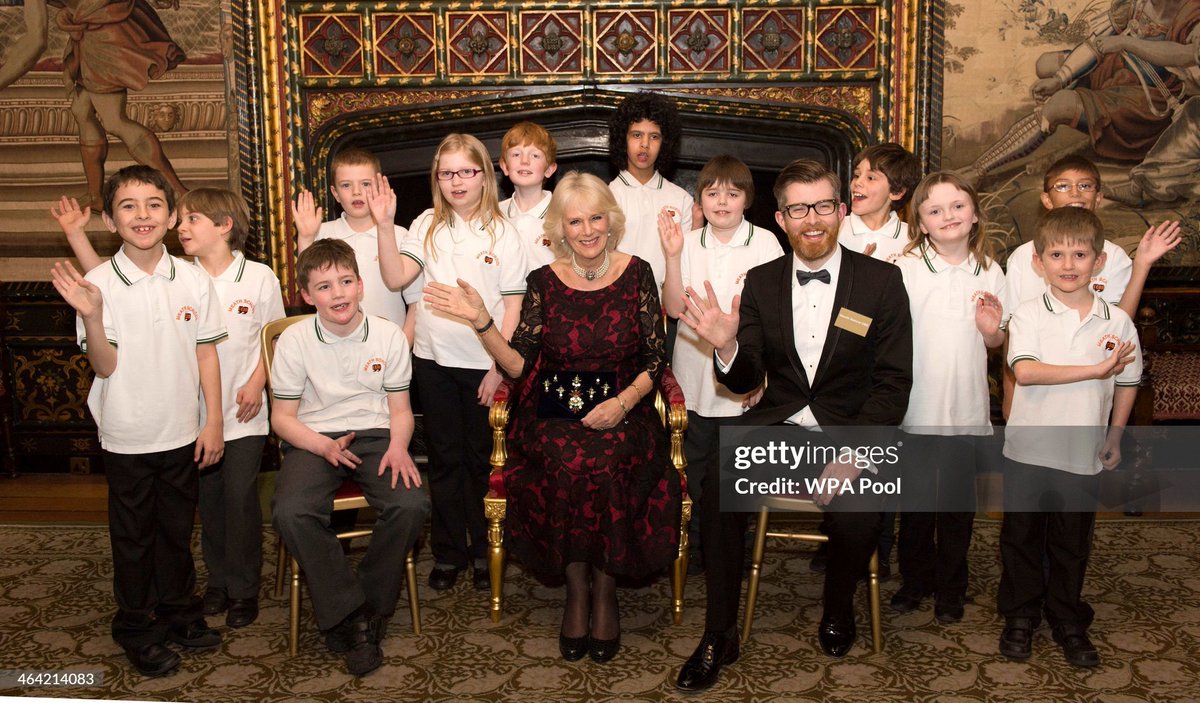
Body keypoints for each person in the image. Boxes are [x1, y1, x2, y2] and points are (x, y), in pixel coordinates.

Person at [423, 171, 681, 664]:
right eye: (575, 221)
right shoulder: (542, 281)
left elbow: (655, 359)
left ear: (611, 220)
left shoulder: (638, 271)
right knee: (566, 462)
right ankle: (576, 587)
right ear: (559, 229)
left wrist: (623, 403)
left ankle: (603, 590)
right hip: (554, 408)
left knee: (609, 463)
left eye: (596, 218)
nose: (587, 230)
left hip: (625, 404)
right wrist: (482, 321)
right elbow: (519, 365)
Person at [674, 159, 913, 691]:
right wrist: (727, 345)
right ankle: (719, 632)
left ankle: (838, 607)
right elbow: (746, 378)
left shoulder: (881, 281)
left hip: (851, 433)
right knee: (715, 489)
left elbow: (894, 382)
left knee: (859, 517)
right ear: (780, 218)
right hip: (779, 430)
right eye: (799, 208)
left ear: (841, 211)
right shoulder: (761, 282)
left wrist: (852, 454)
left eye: (824, 206)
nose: (812, 219)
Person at [56, 186, 286, 629]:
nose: (181, 228)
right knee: (205, 507)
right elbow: (111, 287)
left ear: (224, 226)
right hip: (189, 418)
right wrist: (76, 238)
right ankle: (214, 585)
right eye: (179, 219)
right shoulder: (181, 272)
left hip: (240, 414)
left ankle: (242, 589)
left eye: (191, 219)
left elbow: (273, 336)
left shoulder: (255, 277)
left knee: (238, 502)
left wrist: (257, 384)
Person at [50, 165, 226, 678]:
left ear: (171, 216)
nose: (142, 215)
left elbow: (207, 356)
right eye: (128, 206)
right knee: (134, 537)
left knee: (175, 530)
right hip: (127, 433)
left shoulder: (193, 278)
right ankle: (136, 626)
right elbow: (105, 366)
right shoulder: (98, 284)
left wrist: (212, 421)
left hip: (182, 430)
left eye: (153, 204)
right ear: (110, 220)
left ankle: (179, 613)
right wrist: (91, 315)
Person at [269, 239, 430, 677]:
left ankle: (365, 606)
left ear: (360, 285)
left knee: (412, 504)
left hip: (379, 434)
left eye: (345, 282)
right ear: (306, 295)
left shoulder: (388, 335)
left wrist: (399, 447)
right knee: (291, 510)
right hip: (314, 435)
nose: (337, 294)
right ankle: (351, 612)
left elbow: (400, 410)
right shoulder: (294, 340)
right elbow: (282, 419)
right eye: (323, 287)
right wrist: (322, 446)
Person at [374, 133, 527, 593]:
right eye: (446, 173)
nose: (456, 181)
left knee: (483, 461)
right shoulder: (425, 225)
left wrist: (498, 367)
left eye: (466, 171)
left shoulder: (506, 233)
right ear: (436, 179)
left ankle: (483, 550)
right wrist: (385, 226)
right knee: (442, 458)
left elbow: (515, 306)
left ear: (485, 174)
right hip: (433, 360)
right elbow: (397, 276)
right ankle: (448, 553)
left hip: (485, 364)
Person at [1000, 206, 1142, 668]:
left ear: (1098, 262)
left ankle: (1066, 618)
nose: (1068, 264)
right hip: (1028, 450)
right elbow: (1026, 371)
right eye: (1056, 254)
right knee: (1020, 538)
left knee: (1071, 543)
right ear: (1038, 262)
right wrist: (1094, 369)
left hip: (1083, 454)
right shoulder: (1026, 314)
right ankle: (1020, 615)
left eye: (1079, 254)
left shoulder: (1117, 323)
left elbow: (1127, 383)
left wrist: (1115, 437)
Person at [889, 172, 1008, 623]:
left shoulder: (990, 270)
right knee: (916, 504)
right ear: (920, 222)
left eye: (957, 206)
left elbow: (997, 342)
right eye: (935, 210)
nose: (948, 216)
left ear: (974, 213)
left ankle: (952, 587)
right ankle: (915, 579)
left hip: (967, 411)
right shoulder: (906, 269)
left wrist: (991, 331)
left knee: (958, 507)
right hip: (915, 410)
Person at [658, 155, 783, 572]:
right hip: (695, 373)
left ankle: (734, 542)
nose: (722, 202)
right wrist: (673, 255)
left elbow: (775, 316)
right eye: (712, 193)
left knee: (738, 466)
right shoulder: (689, 243)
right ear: (701, 199)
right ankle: (693, 543)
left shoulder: (765, 242)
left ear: (747, 199)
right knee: (695, 465)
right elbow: (674, 308)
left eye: (732, 193)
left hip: (745, 376)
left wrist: (763, 376)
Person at [1001, 155, 1180, 417]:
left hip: (1088, 400)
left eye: (1085, 186)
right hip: (1035, 399)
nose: (1075, 193)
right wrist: (1009, 394)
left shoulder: (1113, 256)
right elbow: (1012, 334)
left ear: (1098, 197)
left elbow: (1119, 323)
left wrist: (1141, 264)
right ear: (1047, 199)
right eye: (1063, 186)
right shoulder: (1023, 257)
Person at [963, 0, 1200, 182]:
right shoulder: (1136, 4)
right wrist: (1060, 78)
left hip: (1150, 102)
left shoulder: (1192, 12)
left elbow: (1188, 54)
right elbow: (1095, 43)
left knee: (1059, 105)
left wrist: (1127, 43)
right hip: (1118, 71)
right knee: (1045, 64)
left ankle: (980, 169)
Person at [0, 0, 190, 208]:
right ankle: (95, 197)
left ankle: (179, 191)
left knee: (114, 120)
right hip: (96, 28)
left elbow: (35, 41)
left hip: (106, 31)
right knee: (82, 110)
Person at [292, 147, 420, 340]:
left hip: (387, 347)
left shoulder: (400, 235)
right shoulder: (322, 233)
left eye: (366, 184)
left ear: (379, 186)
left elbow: (416, 304)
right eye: (346, 185)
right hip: (333, 345)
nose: (357, 192)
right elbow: (310, 283)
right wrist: (306, 238)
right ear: (335, 193)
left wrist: (403, 346)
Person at [607, 92, 695, 289]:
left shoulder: (681, 199)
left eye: (654, 137)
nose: (644, 144)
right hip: (619, 304)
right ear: (623, 139)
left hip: (668, 308)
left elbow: (687, 262)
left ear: (665, 143)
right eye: (637, 135)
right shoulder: (606, 196)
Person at [838, 142, 922, 263]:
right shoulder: (835, 229)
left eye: (870, 178)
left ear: (897, 192)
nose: (857, 182)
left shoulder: (912, 239)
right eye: (857, 175)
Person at [498, 121, 560, 270]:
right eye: (516, 154)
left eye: (535, 155)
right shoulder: (494, 215)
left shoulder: (563, 213)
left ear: (549, 169)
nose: (524, 161)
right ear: (505, 167)